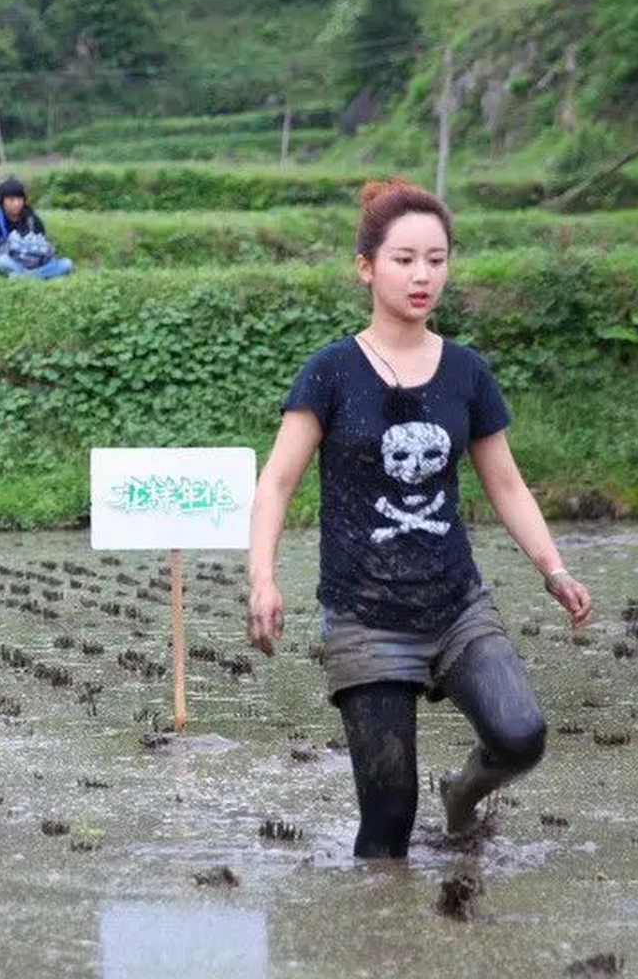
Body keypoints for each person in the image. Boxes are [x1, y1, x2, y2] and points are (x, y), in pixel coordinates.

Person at [244, 179, 595, 859]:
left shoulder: (466, 372)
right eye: (405, 259)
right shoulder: (331, 372)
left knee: (521, 733)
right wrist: (263, 579)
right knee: (387, 823)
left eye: (436, 259)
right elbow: (277, 481)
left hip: (455, 605)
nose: (422, 274)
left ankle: (462, 794)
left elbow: (508, 485)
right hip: (364, 615)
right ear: (367, 266)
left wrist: (554, 568)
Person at [0, 176, 73, 279]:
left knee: (67, 264)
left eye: (20, 199)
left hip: (35, 263)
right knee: (2, 262)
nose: (17, 203)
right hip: (11, 263)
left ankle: (22, 278)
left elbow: (43, 248)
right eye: (11, 199)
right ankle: (39, 277)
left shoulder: (33, 220)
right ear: (2, 201)